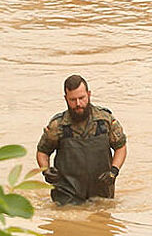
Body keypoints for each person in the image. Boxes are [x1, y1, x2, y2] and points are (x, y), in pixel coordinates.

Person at [36, 75, 127, 206]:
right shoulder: (58, 125)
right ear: (65, 98)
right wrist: (46, 170)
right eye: (73, 100)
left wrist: (114, 171)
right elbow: (42, 151)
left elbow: (121, 146)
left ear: (89, 95)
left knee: (102, 224)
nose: (78, 104)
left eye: (81, 98)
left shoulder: (104, 120)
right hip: (66, 194)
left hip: (101, 191)